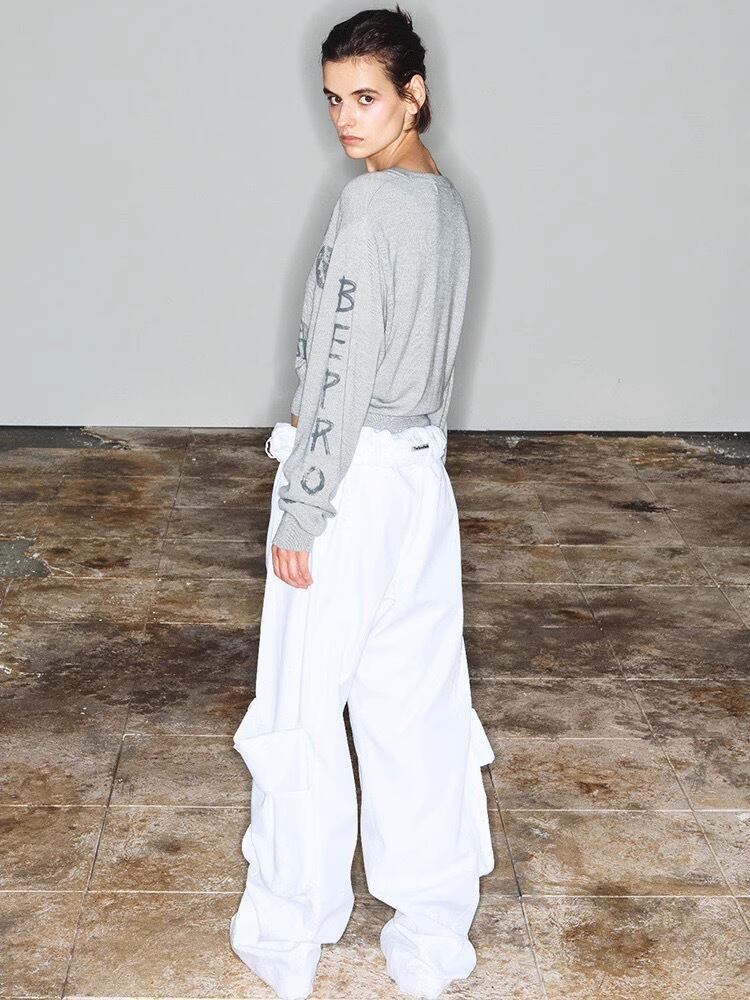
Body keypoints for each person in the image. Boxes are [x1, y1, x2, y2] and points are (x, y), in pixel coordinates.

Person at [229, 8, 495, 999]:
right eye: (334, 97)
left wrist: (303, 506)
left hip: (350, 487)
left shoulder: (372, 208)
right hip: (421, 486)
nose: (345, 117)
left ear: (413, 94)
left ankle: (288, 938)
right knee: (418, 714)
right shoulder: (445, 204)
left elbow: (339, 373)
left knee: (299, 710)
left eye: (367, 96)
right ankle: (432, 942)